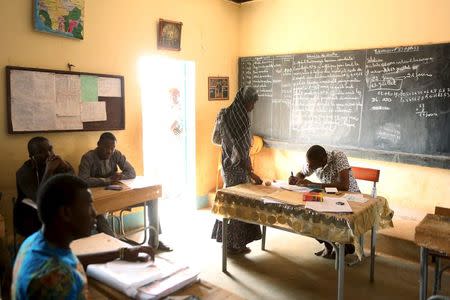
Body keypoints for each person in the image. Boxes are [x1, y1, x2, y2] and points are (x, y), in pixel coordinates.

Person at [11, 174, 154, 299]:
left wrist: (122, 253)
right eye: (89, 205)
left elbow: (69, 260)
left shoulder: (35, 241)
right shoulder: (58, 281)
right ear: (66, 213)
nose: (94, 212)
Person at [78, 132, 172, 251]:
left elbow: (131, 172)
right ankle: (116, 248)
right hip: (99, 200)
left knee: (152, 199)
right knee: (98, 214)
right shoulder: (88, 157)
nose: (109, 151)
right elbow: (82, 180)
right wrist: (107, 180)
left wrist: (119, 176)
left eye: (112, 148)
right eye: (106, 147)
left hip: (118, 196)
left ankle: (155, 240)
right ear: (98, 144)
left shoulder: (116, 154)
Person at [211, 86, 263, 254]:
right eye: (252, 103)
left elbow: (216, 139)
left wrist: (229, 149)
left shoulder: (224, 113)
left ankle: (227, 241)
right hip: (239, 168)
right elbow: (242, 151)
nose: (253, 107)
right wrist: (250, 171)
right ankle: (235, 244)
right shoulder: (242, 119)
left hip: (227, 165)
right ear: (245, 101)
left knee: (230, 202)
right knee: (239, 204)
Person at [289, 145, 360, 259]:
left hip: (350, 197)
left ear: (323, 160)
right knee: (308, 213)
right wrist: (296, 179)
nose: (311, 167)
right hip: (329, 197)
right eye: (309, 165)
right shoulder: (314, 161)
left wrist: (312, 184)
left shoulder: (338, 157)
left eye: (313, 165)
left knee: (332, 217)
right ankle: (329, 244)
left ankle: (345, 244)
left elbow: (344, 186)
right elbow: (301, 174)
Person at [14, 136, 74, 237]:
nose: (48, 154)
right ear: (31, 156)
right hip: (30, 215)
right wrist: (49, 171)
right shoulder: (24, 172)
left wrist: (65, 166)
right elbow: (39, 199)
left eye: (50, 149)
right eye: (41, 152)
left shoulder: (54, 164)